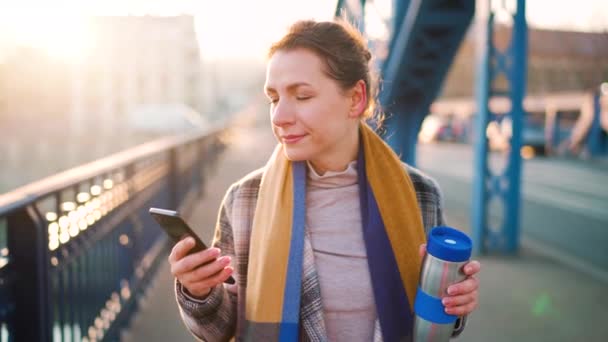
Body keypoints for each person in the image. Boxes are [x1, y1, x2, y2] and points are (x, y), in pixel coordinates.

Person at [168, 20, 481, 342]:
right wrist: (199, 292)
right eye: (274, 98)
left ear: (356, 98)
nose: (279, 117)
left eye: (302, 96)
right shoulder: (246, 199)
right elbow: (218, 331)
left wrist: (453, 304)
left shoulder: (420, 194)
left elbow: (432, 326)